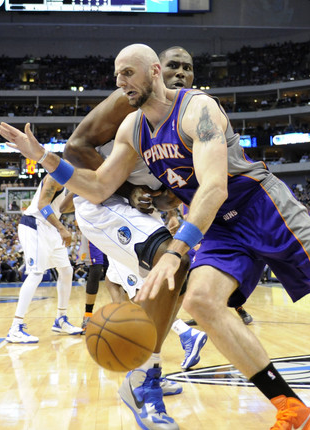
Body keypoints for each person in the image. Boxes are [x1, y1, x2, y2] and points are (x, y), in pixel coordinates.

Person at [0, 43, 310, 428]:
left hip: (263, 207)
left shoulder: (198, 110)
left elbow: (213, 189)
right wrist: (43, 156)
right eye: (115, 75)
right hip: (221, 231)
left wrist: (176, 253)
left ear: (153, 73)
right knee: (201, 303)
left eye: (128, 72)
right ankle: (291, 409)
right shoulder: (131, 129)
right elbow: (100, 186)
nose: (120, 81)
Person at [61, 46, 208, 430]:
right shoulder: (128, 98)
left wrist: (164, 198)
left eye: (187, 68)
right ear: (156, 70)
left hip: (138, 212)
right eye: (173, 65)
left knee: (169, 281)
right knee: (171, 261)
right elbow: (75, 147)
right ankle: (145, 379)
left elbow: (170, 193)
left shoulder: (192, 116)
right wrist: (128, 190)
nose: (180, 73)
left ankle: (144, 369)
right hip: (103, 200)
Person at [5, 175, 83, 344]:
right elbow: (42, 205)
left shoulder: (70, 180)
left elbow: (61, 207)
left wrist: (79, 195)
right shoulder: (55, 176)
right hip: (35, 225)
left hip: (50, 229)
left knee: (67, 271)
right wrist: (62, 228)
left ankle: (61, 319)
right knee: (35, 274)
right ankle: (15, 327)